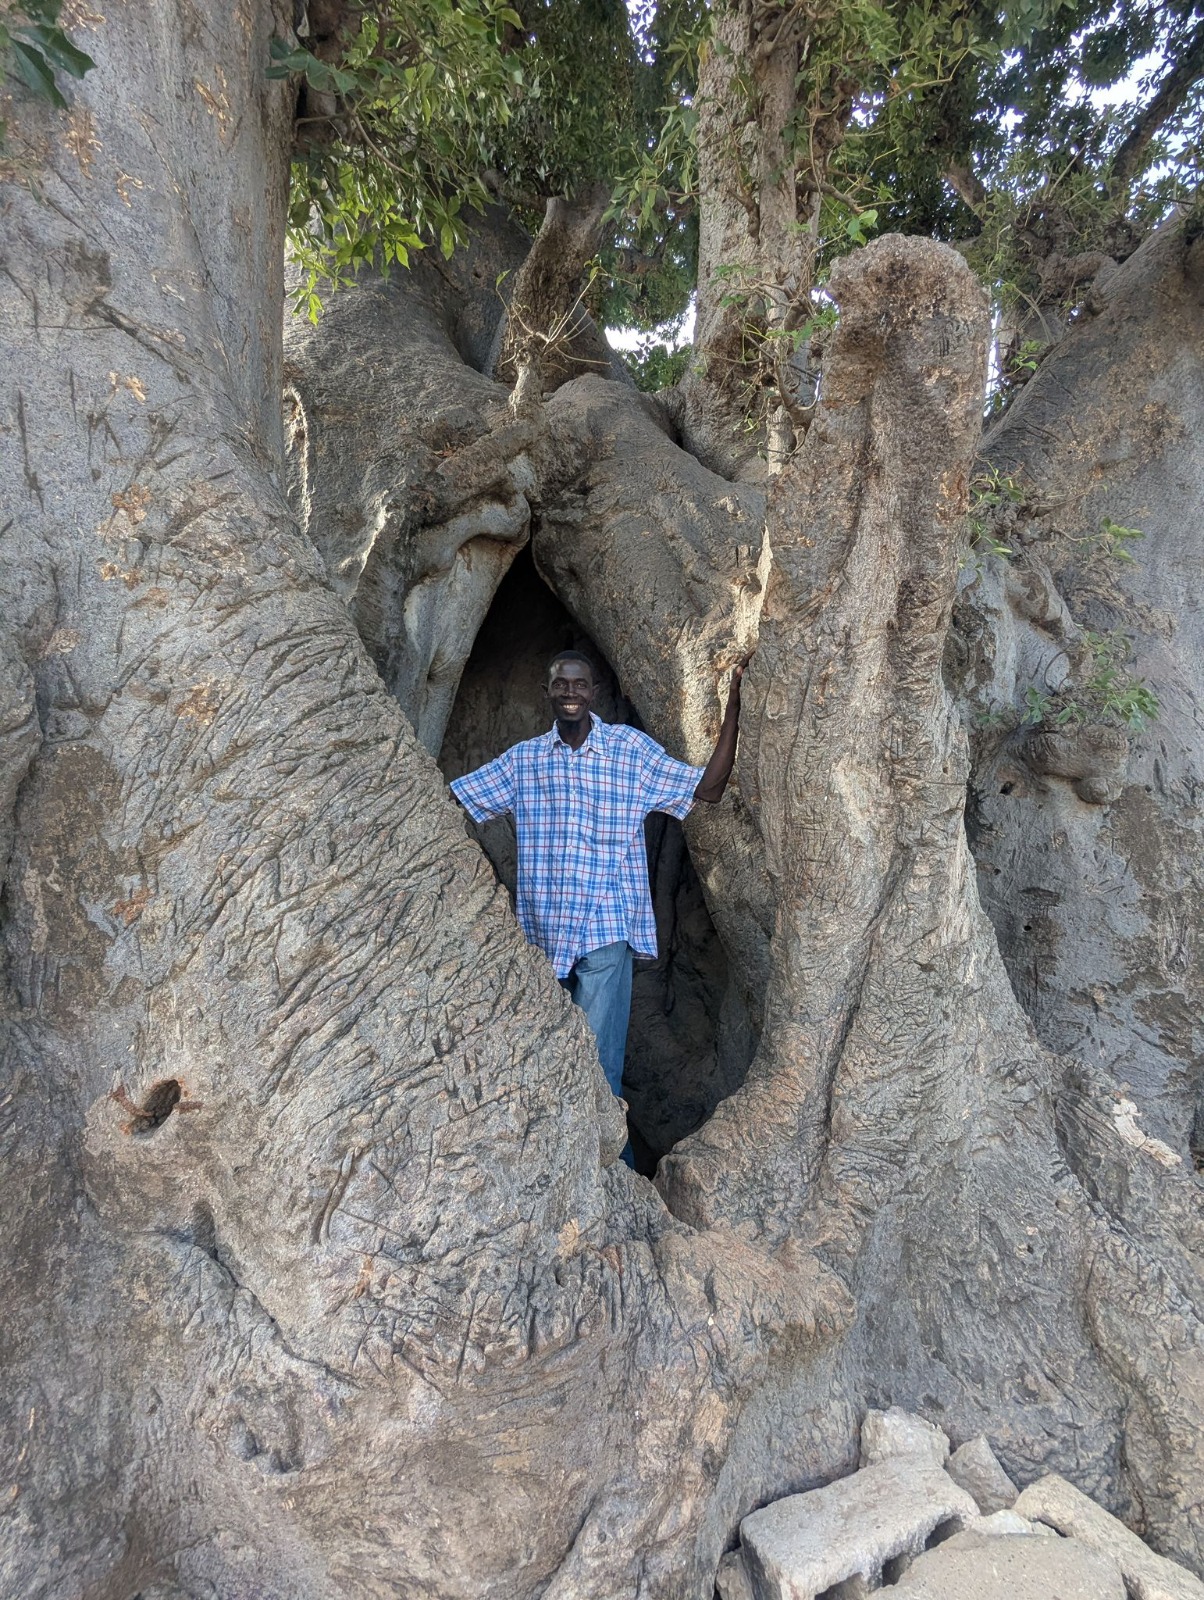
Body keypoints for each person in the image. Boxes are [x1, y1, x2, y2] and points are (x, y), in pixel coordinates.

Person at [450, 649, 748, 1165]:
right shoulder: (525, 761)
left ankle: (613, 1179)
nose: (570, 693)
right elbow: (454, 802)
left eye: (579, 684)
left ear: (594, 692)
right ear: (547, 692)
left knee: (598, 1069)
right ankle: (565, 1169)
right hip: (542, 941)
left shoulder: (629, 751)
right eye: (560, 684)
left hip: (605, 931)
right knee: (548, 1065)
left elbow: (709, 789)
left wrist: (735, 707)